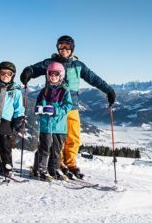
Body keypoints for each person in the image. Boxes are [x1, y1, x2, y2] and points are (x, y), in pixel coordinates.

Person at [20, 35, 115, 179]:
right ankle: (58, 164)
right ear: (57, 48)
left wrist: (108, 90)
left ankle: (70, 164)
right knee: (55, 138)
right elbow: (34, 68)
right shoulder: (50, 63)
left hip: (72, 106)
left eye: (67, 46)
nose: (64, 49)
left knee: (73, 137)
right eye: (60, 46)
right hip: (53, 107)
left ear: (72, 48)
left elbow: (93, 79)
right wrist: (28, 72)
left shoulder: (78, 65)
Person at [32, 62, 73, 181]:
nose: (53, 76)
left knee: (56, 150)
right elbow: (38, 104)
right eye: (51, 74)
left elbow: (68, 106)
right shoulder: (44, 91)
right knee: (45, 148)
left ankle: (54, 169)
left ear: (61, 75)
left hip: (59, 126)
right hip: (46, 125)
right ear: (47, 75)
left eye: (56, 74)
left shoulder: (65, 91)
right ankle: (40, 169)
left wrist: (55, 110)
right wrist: (38, 109)